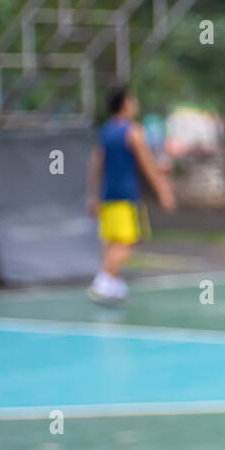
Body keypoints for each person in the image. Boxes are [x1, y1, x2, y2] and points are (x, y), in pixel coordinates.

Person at [86, 88, 176, 305]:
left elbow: (96, 165)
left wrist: (93, 195)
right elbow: (147, 163)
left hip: (107, 196)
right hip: (125, 196)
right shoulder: (133, 131)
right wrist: (163, 189)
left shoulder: (106, 132)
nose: (135, 103)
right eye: (132, 100)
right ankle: (103, 281)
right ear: (125, 103)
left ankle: (113, 284)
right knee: (127, 241)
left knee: (112, 241)